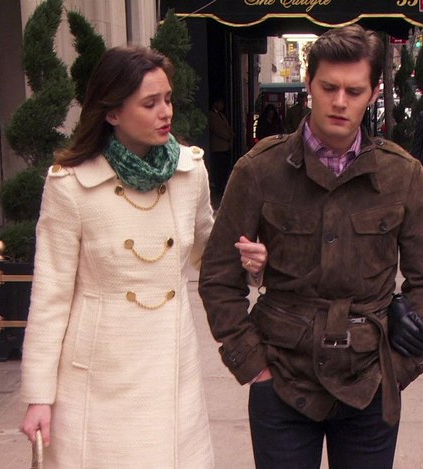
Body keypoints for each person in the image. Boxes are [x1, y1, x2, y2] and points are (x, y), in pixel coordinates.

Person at [199, 25, 423, 469]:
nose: (339, 102)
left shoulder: (402, 175)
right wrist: (252, 364)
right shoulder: (259, 170)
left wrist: (401, 366)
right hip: (282, 378)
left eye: (354, 91)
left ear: (373, 93)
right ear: (308, 84)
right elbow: (219, 277)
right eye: (329, 88)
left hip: (371, 379)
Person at [17, 46, 263, 468]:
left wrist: (252, 262)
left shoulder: (189, 172)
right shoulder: (71, 185)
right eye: (149, 104)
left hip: (171, 364)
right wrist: (39, 396)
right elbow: (50, 295)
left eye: (167, 99)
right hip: (96, 375)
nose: (165, 112)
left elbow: (210, 254)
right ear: (113, 112)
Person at [208, 96, 235, 205]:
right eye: (220, 103)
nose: (222, 106)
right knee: (218, 169)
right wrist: (228, 136)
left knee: (225, 168)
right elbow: (217, 129)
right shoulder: (211, 115)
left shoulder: (221, 115)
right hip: (218, 147)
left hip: (226, 147)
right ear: (215, 103)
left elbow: (228, 128)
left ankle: (223, 187)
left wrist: (231, 135)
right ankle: (219, 189)